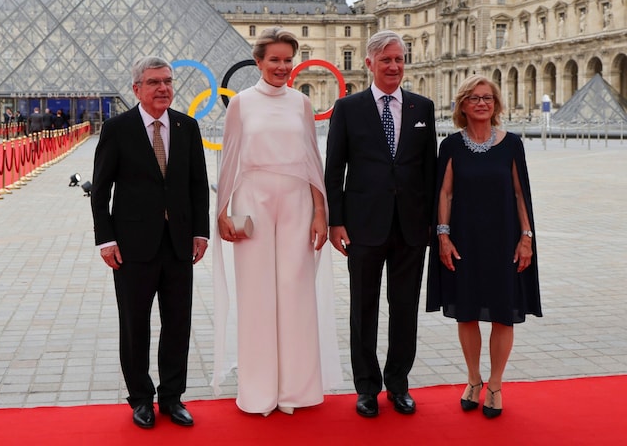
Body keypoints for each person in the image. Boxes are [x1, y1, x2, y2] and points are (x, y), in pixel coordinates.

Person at [212, 26, 341, 416]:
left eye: (288, 60)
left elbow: (311, 161)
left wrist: (321, 212)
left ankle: (296, 391)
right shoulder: (241, 104)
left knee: (296, 294)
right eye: (275, 60)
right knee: (257, 297)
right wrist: (222, 214)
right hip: (253, 202)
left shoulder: (301, 104)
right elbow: (229, 159)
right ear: (258, 61)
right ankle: (258, 391)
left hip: (297, 202)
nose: (283, 67)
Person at [91, 56, 209, 429]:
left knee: (177, 324)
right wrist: (106, 240)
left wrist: (200, 232)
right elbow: (100, 190)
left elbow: (197, 185)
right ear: (136, 89)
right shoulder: (117, 128)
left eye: (168, 81)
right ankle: (141, 398)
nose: (163, 88)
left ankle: (172, 397)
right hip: (132, 246)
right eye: (154, 82)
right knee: (134, 325)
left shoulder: (186, 126)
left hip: (178, 245)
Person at [325, 29, 437, 418]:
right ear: (369, 63)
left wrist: (433, 224)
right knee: (364, 308)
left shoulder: (423, 107)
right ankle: (367, 388)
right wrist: (334, 223)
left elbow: (430, 171)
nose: (394, 66)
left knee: (404, 307)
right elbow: (334, 169)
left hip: (411, 226)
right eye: (386, 59)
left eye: (399, 59)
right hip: (363, 225)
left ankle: (399, 384)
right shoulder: (348, 108)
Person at [426, 76, 541, 418]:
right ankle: (473, 379)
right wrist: (443, 237)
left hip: (505, 238)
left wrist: (526, 238)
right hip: (464, 239)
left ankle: (495, 384)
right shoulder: (450, 146)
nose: (482, 103)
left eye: (488, 98)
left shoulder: (512, 144)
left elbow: (521, 194)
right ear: (462, 104)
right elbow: (444, 193)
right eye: (474, 98)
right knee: (467, 312)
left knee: (503, 314)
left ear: (496, 104)